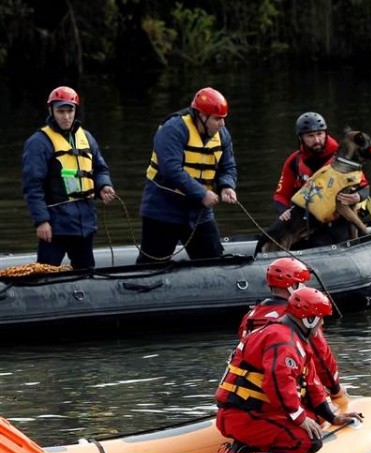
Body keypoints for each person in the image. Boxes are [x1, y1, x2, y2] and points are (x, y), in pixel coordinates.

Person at [216, 287, 362, 453]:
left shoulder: (295, 339)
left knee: (315, 419)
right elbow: (278, 383)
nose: (322, 324)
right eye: (320, 318)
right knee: (308, 442)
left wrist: (332, 418)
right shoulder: (282, 340)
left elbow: (312, 384)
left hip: (261, 410)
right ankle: (241, 450)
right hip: (244, 416)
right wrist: (299, 418)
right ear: (308, 319)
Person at [136, 87, 238, 264]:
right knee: (151, 265)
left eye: (223, 119)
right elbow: (171, 170)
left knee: (213, 262)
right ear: (201, 115)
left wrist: (226, 186)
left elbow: (227, 167)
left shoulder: (222, 135)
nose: (222, 124)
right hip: (163, 210)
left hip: (199, 213)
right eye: (217, 119)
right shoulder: (173, 129)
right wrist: (202, 193)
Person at [21, 86, 117, 269]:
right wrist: (41, 221)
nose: (66, 116)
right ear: (51, 111)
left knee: (86, 271)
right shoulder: (38, 143)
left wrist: (103, 185)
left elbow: (100, 169)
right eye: (60, 111)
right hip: (55, 226)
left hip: (84, 223)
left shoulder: (86, 137)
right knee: (46, 273)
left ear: (75, 110)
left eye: (70, 110)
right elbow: (32, 186)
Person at [238, 257, 349, 409]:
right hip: (286, 392)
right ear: (293, 286)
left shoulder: (251, 315)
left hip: (249, 393)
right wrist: (335, 389)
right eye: (302, 283)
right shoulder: (297, 316)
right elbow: (320, 356)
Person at [272, 112, 371, 246]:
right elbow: (280, 195)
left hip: (342, 217)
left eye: (320, 134)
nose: (317, 140)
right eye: (310, 136)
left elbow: (364, 185)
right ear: (301, 138)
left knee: (320, 242)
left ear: (326, 134)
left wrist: (358, 196)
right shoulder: (293, 162)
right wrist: (284, 211)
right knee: (284, 236)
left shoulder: (344, 157)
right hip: (310, 219)